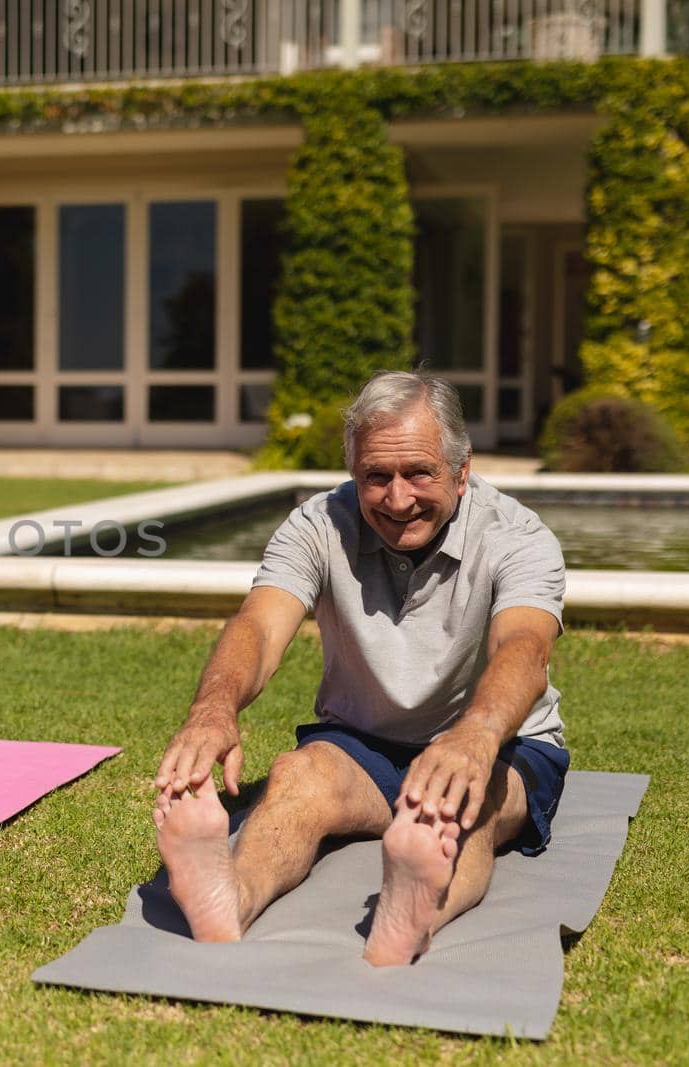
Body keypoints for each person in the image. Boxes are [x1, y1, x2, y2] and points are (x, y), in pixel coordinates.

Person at [153, 370, 569, 966]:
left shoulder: (519, 537)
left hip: (497, 742)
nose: (397, 500)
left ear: (462, 468)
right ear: (354, 472)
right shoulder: (317, 523)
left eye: (419, 473)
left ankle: (417, 914)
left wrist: (475, 737)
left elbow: (523, 651)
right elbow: (260, 626)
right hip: (361, 741)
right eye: (377, 477)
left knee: (459, 814)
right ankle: (229, 897)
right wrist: (213, 709)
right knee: (295, 781)